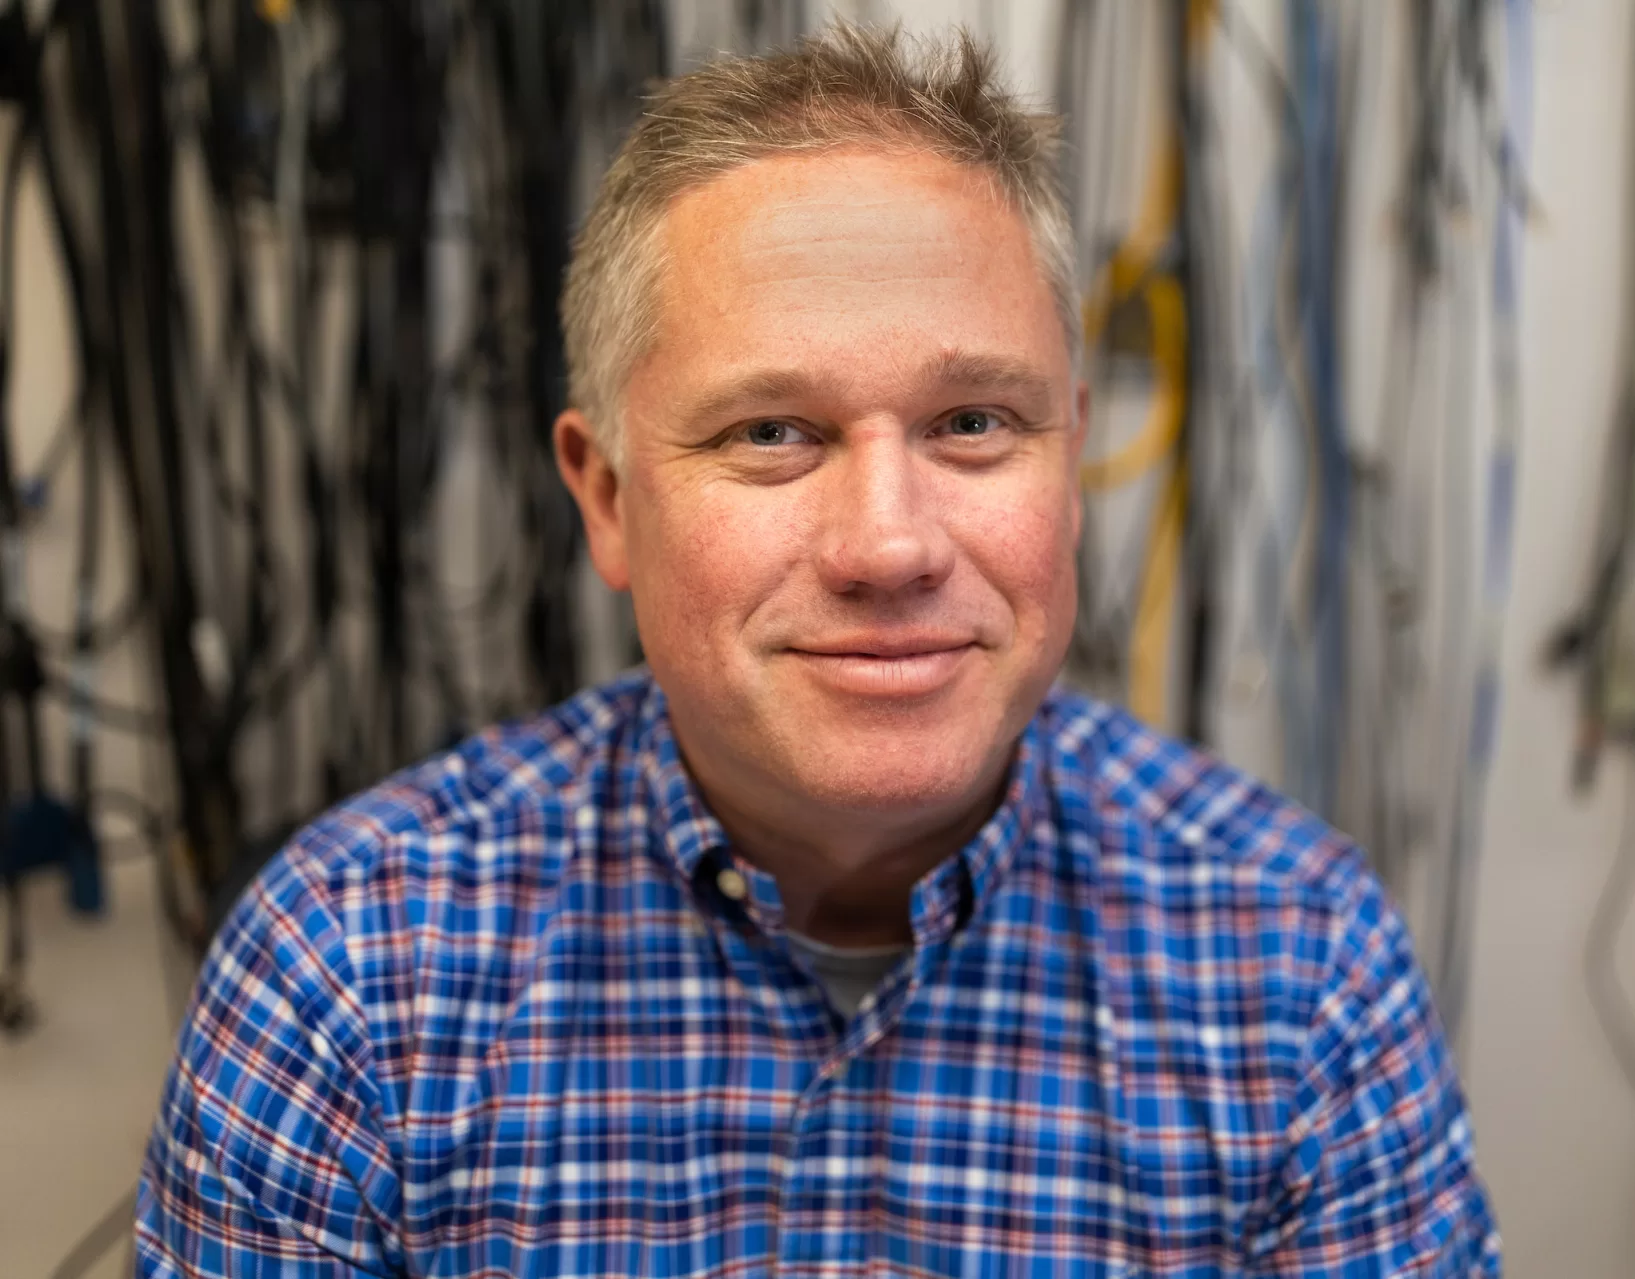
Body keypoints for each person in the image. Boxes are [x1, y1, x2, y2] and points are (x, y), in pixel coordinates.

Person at [136, 25, 1498, 1277]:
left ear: (1070, 458)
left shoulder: (1295, 964)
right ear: (605, 495)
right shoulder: (353, 971)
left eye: (972, 422)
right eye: (770, 433)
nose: (888, 546)